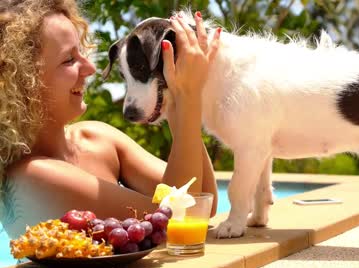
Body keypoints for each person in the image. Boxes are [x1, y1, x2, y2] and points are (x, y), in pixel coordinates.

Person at [0, 0, 220, 239]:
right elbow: (180, 218)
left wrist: (177, 90)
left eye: (81, 53)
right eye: (68, 60)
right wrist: (189, 96)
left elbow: (203, 203)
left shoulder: (98, 139)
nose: (91, 68)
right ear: (22, 83)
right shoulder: (33, 176)